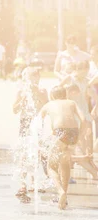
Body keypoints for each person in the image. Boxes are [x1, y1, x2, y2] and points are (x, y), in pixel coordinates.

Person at [39, 86, 87, 210]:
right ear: (65, 94)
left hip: (61, 132)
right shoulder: (72, 102)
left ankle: (60, 191)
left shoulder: (49, 104)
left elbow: (38, 122)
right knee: (65, 162)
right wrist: (80, 136)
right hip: (74, 134)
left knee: (51, 166)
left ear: (52, 96)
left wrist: (39, 141)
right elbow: (84, 120)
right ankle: (63, 200)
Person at [13, 66, 48, 202]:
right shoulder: (21, 91)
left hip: (37, 123)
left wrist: (37, 95)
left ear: (38, 78)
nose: (33, 79)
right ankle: (22, 183)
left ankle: (34, 182)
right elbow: (14, 110)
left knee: (36, 152)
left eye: (35, 76)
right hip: (25, 122)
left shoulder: (43, 91)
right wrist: (23, 100)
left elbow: (46, 107)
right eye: (30, 77)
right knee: (23, 153)